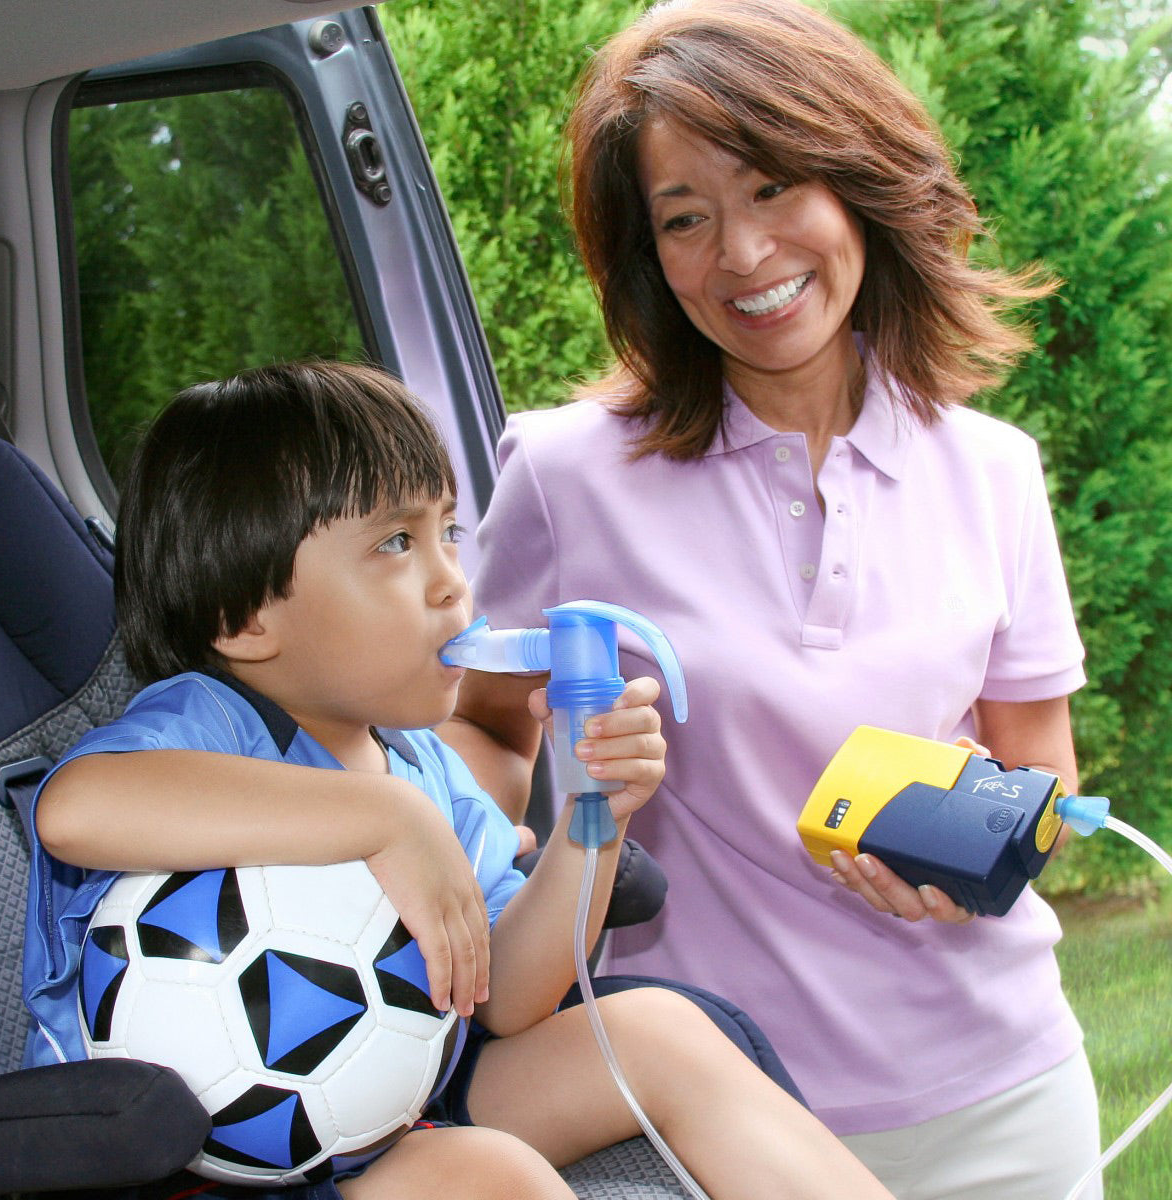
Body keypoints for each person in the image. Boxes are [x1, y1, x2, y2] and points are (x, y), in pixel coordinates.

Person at [441, 2, 1104, 1197]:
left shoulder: (993, 468)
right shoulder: (564, 473)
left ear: (860, 184)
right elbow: (487, 731)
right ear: (648, 259)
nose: (741, 255)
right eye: (684, 218)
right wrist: (526, 858)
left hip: (1005, 1088)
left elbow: (1040, 767)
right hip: (722, 1106)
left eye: (770, 188)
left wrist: (977, 866)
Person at [21, 360, 892, 1200]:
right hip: (189, 1159)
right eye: (396, 542)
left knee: (656, 1033)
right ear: (246, 618)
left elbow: (509, 996)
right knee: (484, 1175)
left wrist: (597, 814)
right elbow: (74, 810)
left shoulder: (419, 764)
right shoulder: (211, 723)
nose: (452, 584)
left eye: (449, 533)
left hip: (394, 1100)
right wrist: (380, 818)